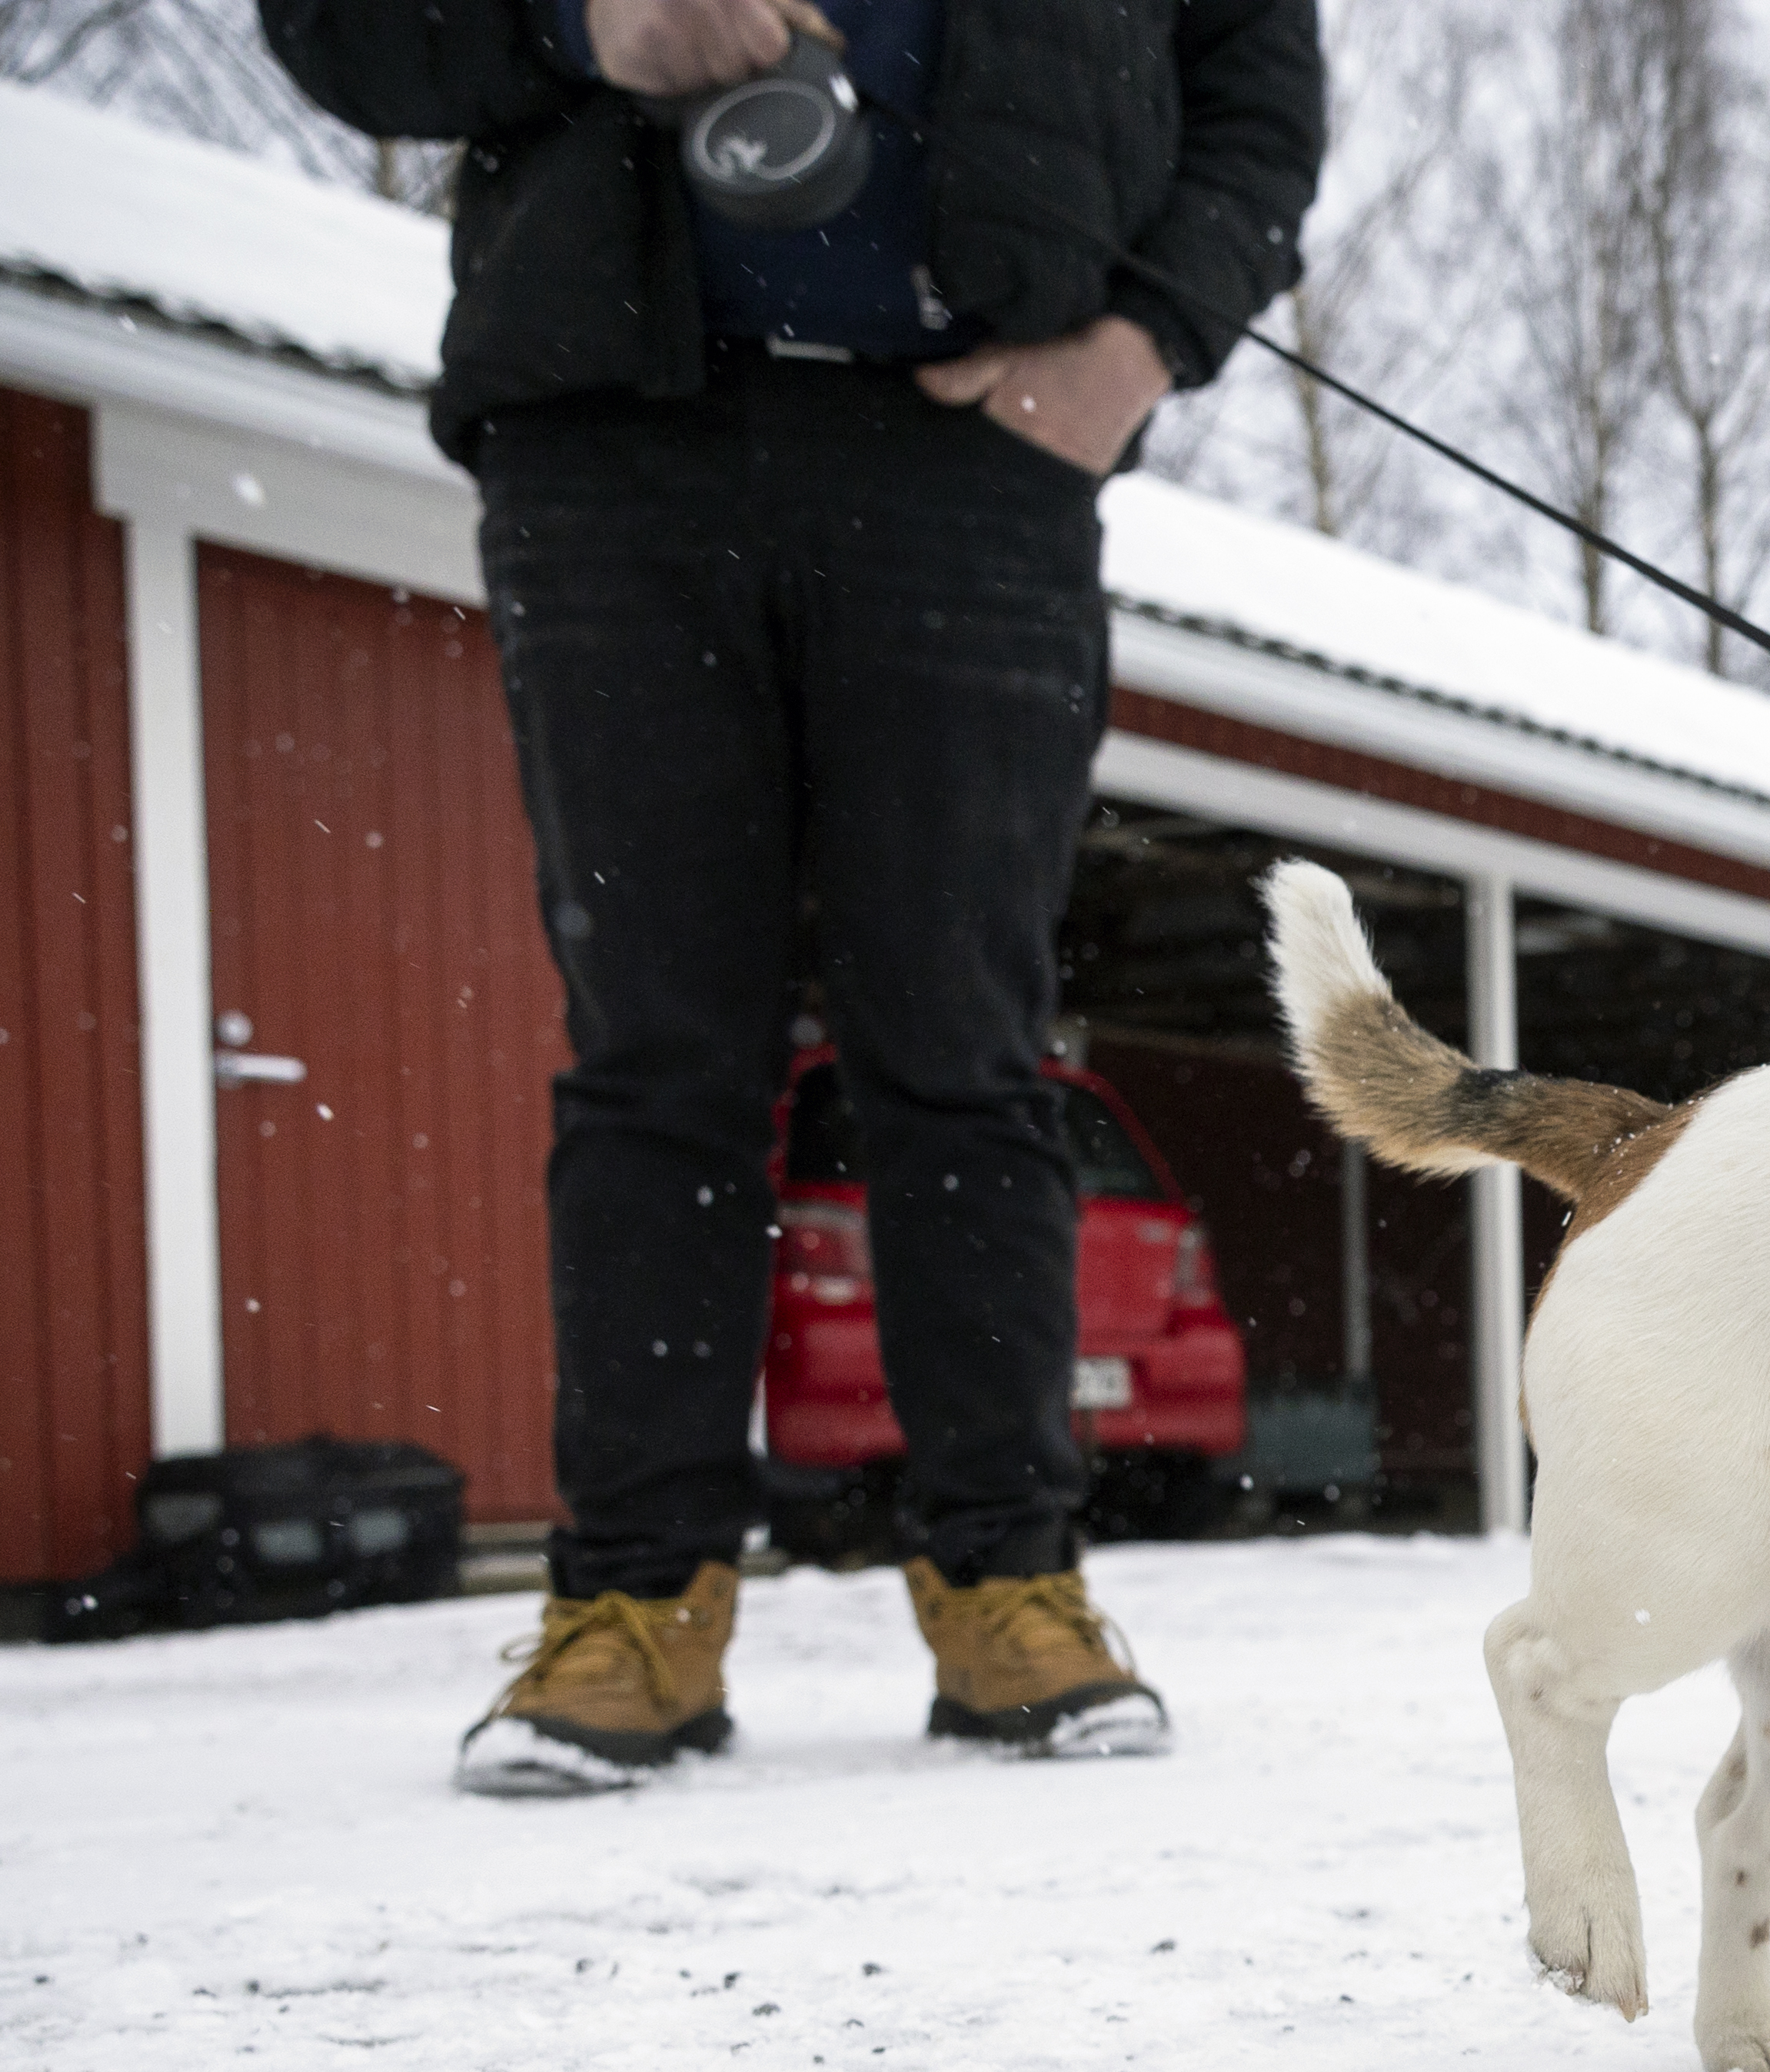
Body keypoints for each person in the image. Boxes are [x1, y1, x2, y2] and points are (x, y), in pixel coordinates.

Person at [262, 0, 1326, 1794]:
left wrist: (1144, 340)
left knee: (964, 1047)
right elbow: (343, 28)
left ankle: (1008, 1579)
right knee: (659, 1050)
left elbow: (1258, 100)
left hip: (977, 466)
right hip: (613, 441)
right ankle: (637, 1606)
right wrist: (580, 23)